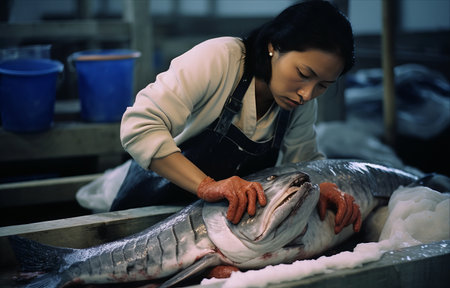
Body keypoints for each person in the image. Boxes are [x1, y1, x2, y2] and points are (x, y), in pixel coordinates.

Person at [111, 0, 361, 234]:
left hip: (217, 226)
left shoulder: (300, 105)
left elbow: (303, 162)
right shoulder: (220, 58)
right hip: (147, 215)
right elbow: (139, 126)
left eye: (323, 86)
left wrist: (323, 186)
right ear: (274, 46)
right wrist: (206, 185)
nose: (307, 94)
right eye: (303, 73)